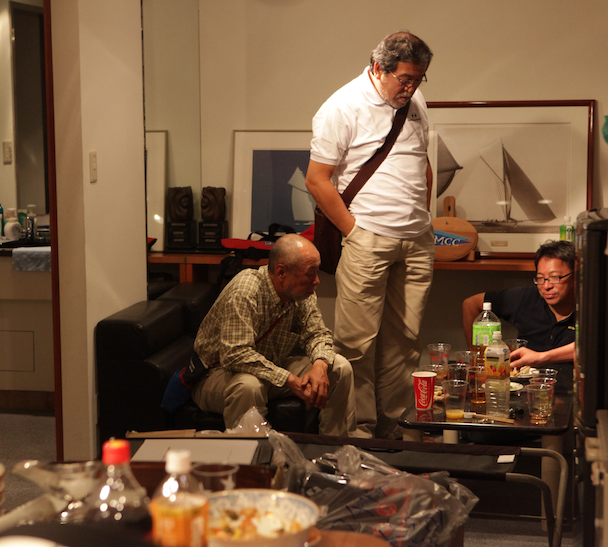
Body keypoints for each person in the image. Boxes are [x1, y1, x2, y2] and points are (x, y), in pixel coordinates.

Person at [305, 31, 435, 439]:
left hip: (416, 239)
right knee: (355, 345)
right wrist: (355, 232)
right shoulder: (342, 107)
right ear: (379, 68)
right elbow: (316, 179)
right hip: (368, 238)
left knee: (405, 342)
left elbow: (422, 162)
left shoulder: (415, 101)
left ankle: (394, 432)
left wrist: (423, 215)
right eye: (405, 79)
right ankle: (356, 435)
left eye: (418, 79)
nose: (411, 88)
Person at [191, 234, 356, 436]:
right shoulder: (245, 291)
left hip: (269, 368)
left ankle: (332, 447)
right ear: (281, 272)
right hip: (219, 373)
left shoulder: (302, 293)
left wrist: (320, 366)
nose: (317, 281)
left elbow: (317, 334)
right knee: (249, 386)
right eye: (310, 273)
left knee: (339, 367)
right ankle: (250, 453)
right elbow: (235, 354)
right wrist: (290, 380)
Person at [462, 240, 576, 390]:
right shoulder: (525, 298)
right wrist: (477, 358)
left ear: (576, 276)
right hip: (523, 389)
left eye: (555, 277)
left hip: (571, 389)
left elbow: (588, 347)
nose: (546, 286)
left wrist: (540, 357)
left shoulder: (590, 307)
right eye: (540, 278)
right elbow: (471, 304)